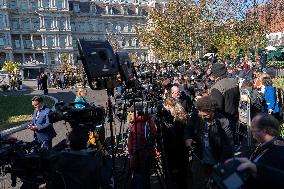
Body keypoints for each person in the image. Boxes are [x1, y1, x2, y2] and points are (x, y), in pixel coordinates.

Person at [184, 96, 234, 189]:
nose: (202, 117)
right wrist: (188, 138)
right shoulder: (197, 114)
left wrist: (224, 162)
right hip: (199, 155)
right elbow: (189, 127)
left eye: (205, 115)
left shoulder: (223, 121)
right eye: (200, 114)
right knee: (197, 181)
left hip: (216, 158)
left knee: (216, 183)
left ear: (212, 111)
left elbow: (229, 144)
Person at [46, 128, 112, 189]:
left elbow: (51, 152)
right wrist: (107, 157)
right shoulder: (91, 162)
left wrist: (66, 141)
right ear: (86, 144)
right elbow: (104, 178)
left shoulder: (57, 158)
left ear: (69, 142)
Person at [127, 105, 157, 189]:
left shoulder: (138, 126)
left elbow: (135, 145)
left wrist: (132, 159)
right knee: (145, 179)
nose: (130, 114)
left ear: (138, 112)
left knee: (139, 180)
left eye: (132, 112)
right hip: (147, 155)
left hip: (140, 158)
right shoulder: (147, 120)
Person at [163, 97, 189, 189]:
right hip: (183, 152)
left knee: (180, 176)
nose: (165, 109)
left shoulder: (178, 121)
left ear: (170, 106)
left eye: (166, 107)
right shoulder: (181, 116)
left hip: (178, 152)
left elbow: (175, 139)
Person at [209, 63, 240, 137]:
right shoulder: (234, 81)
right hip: (234, 115)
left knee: (227, 143)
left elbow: (217, 107)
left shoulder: (217, 87)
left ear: (214, 74)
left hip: (225, 120)